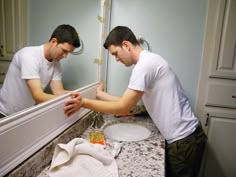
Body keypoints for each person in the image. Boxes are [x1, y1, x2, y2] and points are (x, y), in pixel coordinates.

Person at [64, 26, 207, 177]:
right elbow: (126, 102)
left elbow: (123, 107)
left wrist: (83, 103)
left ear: (126, 45)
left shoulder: (144, 66)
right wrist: (101, 94)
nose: (117, 59)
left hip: (183, 143)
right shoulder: (150, 60)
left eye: (116, 54)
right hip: (188, 138)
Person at [0, 24, 81, 118]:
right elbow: (38, 96)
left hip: (25, 113)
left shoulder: (56, 64)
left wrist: (73, 97)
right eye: (64, 51)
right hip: (4, 112)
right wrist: (67, 100)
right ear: (53, 41)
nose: (65, 56)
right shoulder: (29, 56)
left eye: (68, 53)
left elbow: (58, 93)